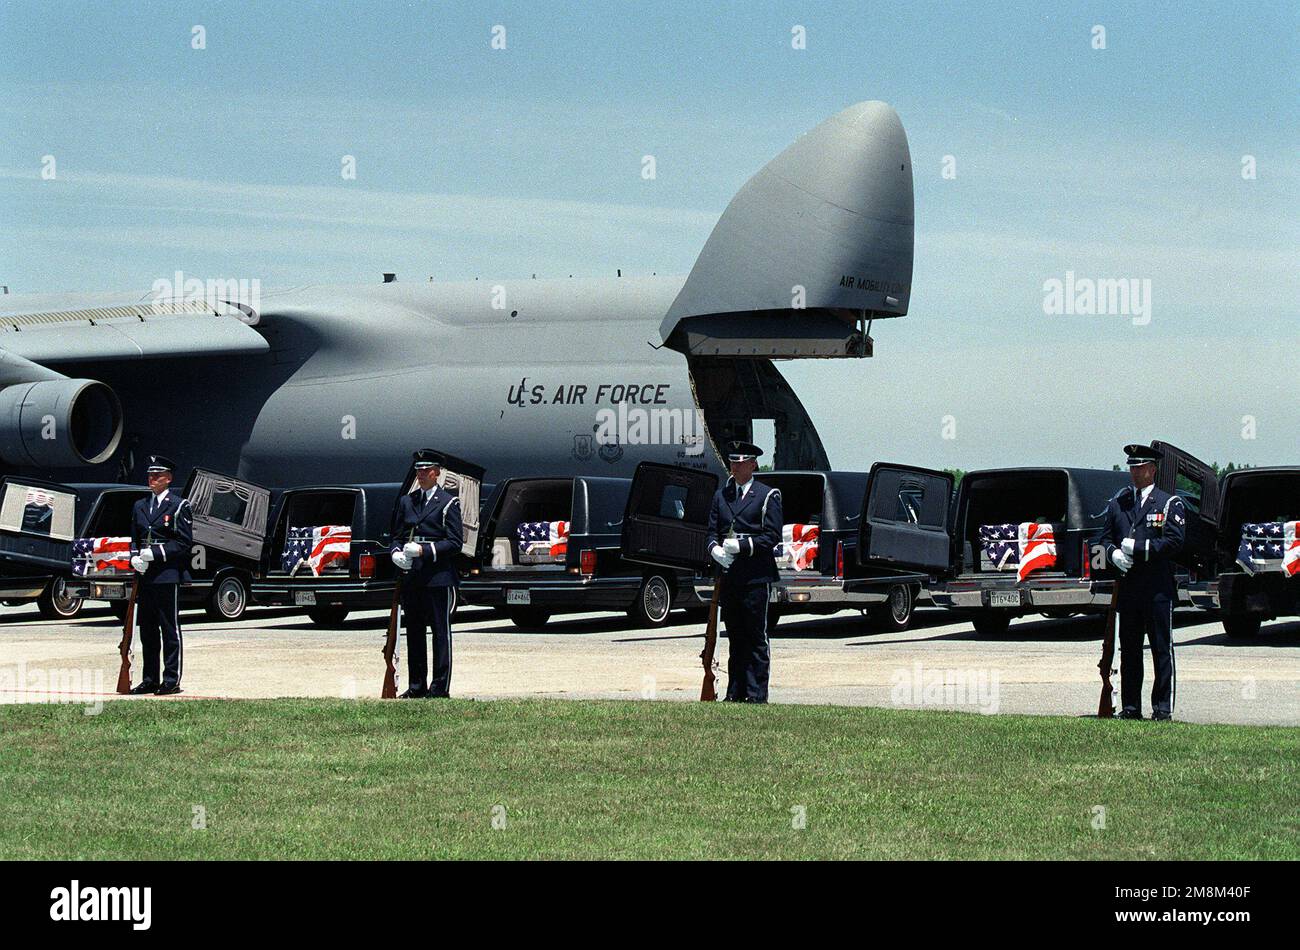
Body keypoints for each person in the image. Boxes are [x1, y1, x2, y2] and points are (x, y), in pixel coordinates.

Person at [1101, 443, 1186, 720]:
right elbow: (1102, 540)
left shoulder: (1168, 503)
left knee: (1162, 649)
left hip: (1157, 589)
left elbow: (1174, 543)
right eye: (1132, 468)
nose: (1134, 473)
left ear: (1152, 469)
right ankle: (1131, 707)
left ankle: (1162, 708)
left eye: (1139, 468)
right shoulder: (1120, 503)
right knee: (1130, 651)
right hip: (1129, 590)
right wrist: (1113, 554)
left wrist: (1138, 549)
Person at [706, 440, 782, 703]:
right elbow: (711, 532)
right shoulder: (721, 495)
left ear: (752, 465)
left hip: (755, 575)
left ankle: (756, 694)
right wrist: (714, 549)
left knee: (755, 637)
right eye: (732, 463)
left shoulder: (767, 495)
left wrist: (742, 545)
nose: (735, 468)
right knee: (735, 636)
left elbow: (771, 537)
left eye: (740, 464)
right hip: (730, 576)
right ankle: (735, 692)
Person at [389, 449, 463, 698]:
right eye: (418, 470)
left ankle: (439, 687)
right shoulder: (407, 501)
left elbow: (455, 542)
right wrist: (396, 553)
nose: (421, 475)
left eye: (426, 470)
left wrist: (425, 549)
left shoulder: (448, 502)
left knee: (440, 633)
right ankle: (417, 686)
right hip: (413, 577)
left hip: (437, 575)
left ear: (437, 473)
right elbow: (397, 536)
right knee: (415, 632)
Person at [128, 454, 193, 695]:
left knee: (169, 629)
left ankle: (171, 679)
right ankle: (150, 679)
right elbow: (135, 537)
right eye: (150, 475)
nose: (152, 479)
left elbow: (184, 543)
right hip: (145, 576)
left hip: (166, 574)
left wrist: (155, 554)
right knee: (147, 629)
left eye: (157, 476)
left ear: (168, 479)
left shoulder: (178, 506)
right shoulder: (140, 506)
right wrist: (135, 556)